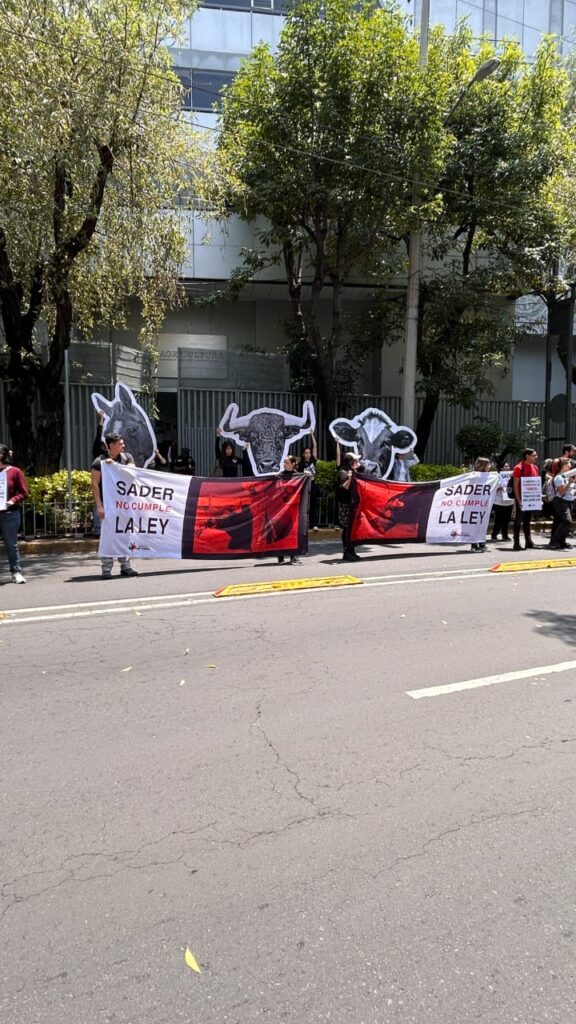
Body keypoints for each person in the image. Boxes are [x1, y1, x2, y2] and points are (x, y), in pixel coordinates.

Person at [91, 433, 139, 578]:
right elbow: (94, 484)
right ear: (111, 445)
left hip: (124, 505)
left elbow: (133, 472)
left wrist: (116, 466)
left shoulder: (127, 457)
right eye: (120, 443)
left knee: (125, 535)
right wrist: (99, 506)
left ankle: (126, 566)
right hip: (108, 505)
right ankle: (106, 568)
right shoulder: (99, 462)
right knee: (108, 535)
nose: (123, 446)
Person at [0, 443, 28, 583]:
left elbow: (24, 493)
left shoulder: (14, 471)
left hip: (9, 513)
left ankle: (16, 571)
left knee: (11, 544)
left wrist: (13, 500)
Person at [276, 455, 302, 565]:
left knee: (293, 533)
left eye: (286, 462)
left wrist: (309, 476)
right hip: (282, 509)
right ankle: (280, 557)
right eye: (284, 462)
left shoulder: (299, 476)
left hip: (294, 509)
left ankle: (294, 557)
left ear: (293, 464)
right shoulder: (280, 476)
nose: (284, 464)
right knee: (281, 532)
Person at [512, 448, 539, 551]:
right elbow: (515, 485)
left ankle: (528, 542)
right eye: (534, 455)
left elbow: (535, 484)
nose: (536, 457)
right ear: (527, 456)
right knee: (518, 522)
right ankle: (516, 543)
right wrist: (519, 501)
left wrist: (537, 498)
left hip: (531, 500)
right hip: (522, 499)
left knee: (527, 521)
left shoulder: (535, 467)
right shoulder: (518, 468)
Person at [337, 451, 361, 562]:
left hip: (352, 504)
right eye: (355, 460)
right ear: (350, 462)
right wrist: (350, 478)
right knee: (347, 528)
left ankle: (352, 550)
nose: (357, 462)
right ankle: (346, 552)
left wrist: (358, 467)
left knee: (352, 528)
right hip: (345, 504)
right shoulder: (343, 472)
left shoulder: (353, 471)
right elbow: (344, 487)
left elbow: (364, 470)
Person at [548, 456, 576, 550]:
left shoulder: (567, 476)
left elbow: (569, 490)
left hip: (569, 501)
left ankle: (562, 542)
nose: (570, 464)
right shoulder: (559, 477)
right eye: (568, 463)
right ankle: (554, 541)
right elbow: (562, 491)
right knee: (567, 521)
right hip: (561, 502)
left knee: (562, 521)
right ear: (563, 465)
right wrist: (569, 483)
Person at [297, 434, 320, 529]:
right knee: (305, 505)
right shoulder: (301, 464)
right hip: (305, 486)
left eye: (309, 453)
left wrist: (312, 435)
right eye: (306, 453)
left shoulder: (312, 461)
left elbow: (315, 447)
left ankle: (314, 524)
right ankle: (305, 524)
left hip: (313, 484)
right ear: (303, 454)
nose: (308, 454)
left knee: (314, 504)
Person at [471, 457, 491, 552]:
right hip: (474, 505)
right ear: (484, 466)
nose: (490, 466)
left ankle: (482, 543)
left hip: (484, 505)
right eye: (488, 465)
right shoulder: (473, 476)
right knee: (474, 525)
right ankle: (474, 545)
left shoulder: (490, 477)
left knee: (482, 524)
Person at [490, 460, 514, 542]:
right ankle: (494, 535)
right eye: (506, 466)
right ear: (501, 468)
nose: (508, 468)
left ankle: (505, 535)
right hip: (499, 502)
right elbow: (492, 488)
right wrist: (498, 488)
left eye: (508, 466)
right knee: (498, 520)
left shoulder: (512, 475)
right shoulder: (496, 476)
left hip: (509, 501)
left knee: (507, 520)